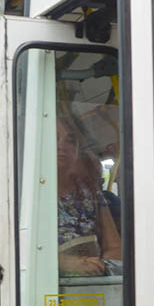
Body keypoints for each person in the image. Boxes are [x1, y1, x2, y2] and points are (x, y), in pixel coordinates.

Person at [56, 115, 122, 276]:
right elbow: (19, 251)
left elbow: (115, 247)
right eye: (54, 137)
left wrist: (101, 266)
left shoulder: (90, 192)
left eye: (70, 140)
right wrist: (66, 263)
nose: (61, 146)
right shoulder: (29, 194)